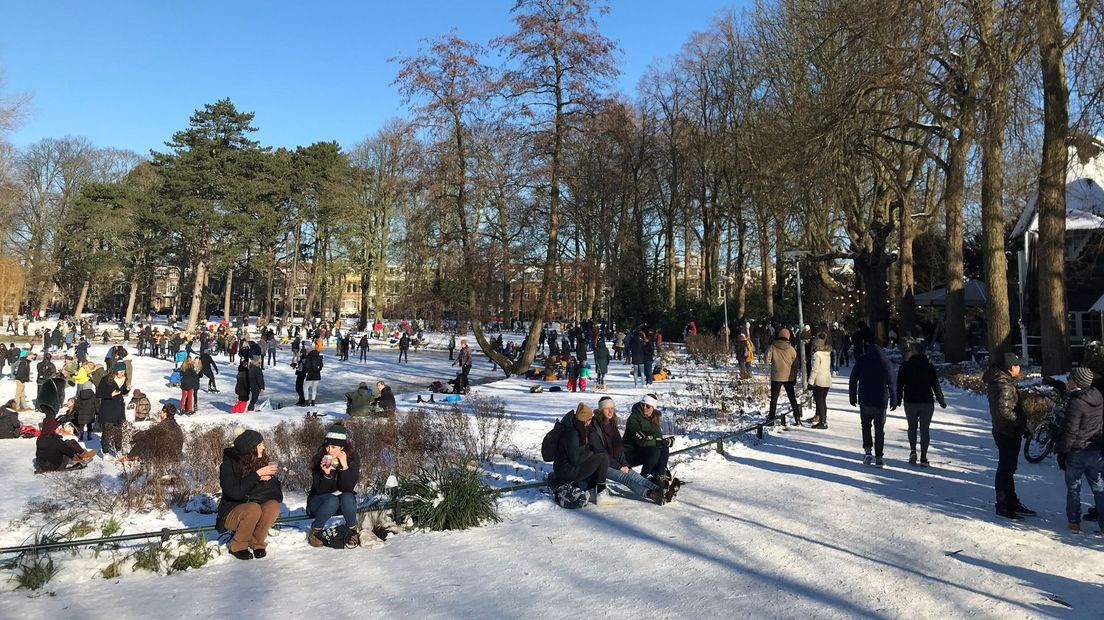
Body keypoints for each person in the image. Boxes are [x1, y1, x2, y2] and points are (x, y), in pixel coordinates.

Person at [216, 428, 283, 560]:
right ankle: (238, 546)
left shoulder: (261, 462)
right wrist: (257, 475)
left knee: (273, 506)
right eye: (259, 445)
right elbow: (235, 494)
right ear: (250, 449)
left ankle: (257, 542)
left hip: (256, 509)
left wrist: (266, 480)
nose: (263, 447)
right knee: (253, 508)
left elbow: (278, 496)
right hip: (231, 513)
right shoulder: (228, 466)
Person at [983, 352, 1034, 520]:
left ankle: (1011, 501)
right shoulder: (1003, 385)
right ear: (1010, 368)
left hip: (1007, 430)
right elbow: (1004, 412)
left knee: (1009, 468)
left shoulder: (1003, 380)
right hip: (1007, 431)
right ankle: (1003, 504)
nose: (1020, 368)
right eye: (1017, 365)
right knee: (1006, 469)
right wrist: (1020, 421)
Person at [589, 396, 665, 504]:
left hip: (614, 461)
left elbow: (619, 448)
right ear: (601, 410)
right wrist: (619, 467)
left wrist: (624, 464)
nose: (610, 411)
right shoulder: (594, 429)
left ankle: (659, 489)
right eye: (607, 408)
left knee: (634, 475)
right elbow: (601, 452)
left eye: (612, 408)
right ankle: (650, 494)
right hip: (600, 464)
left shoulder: (612, 424)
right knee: (625, 478)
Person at [1055, 367, 1103, 533]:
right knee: (1099, 487)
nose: (1068, 382)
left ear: (1078, 382)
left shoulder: (1076, 402)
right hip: (1095, 449)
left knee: (1074, 488)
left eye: (1070, 379)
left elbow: (1070, 431)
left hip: (1078, 451)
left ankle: (1074, 522)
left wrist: (1063, 453)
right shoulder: (1097, 395)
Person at [307, 423, 361, 547]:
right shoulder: (320, 458)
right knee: (332, 500)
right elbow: (320, 490)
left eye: (333, 447)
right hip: (319, 502)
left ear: (342, 448)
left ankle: (352, 530)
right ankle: (315, 530)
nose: (329, 450)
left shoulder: (352, 459)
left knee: (348, 497)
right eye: (327, 446)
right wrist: (327, 474)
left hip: (342, 502)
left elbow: (347, 488)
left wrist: (345, 467)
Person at [849, 337, 897, 467]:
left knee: (865, 426)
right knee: (879, 429)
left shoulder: (862, 360)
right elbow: (892, 382)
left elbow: (853, 379)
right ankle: (879, 457)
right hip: (880, 402)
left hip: (865, 400)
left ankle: (868, 450)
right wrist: (894, 399)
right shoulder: (885, 362)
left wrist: (852, 396)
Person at [896, 342, 946, 466]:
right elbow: (935, 385)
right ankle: (923, 456)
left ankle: (913, 450)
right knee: (925, 429)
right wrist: (941, 400)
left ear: (913, 352)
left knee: (912, 427)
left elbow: (899, 384)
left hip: (910, 401)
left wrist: (897, 399)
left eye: (910, 350)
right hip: (927, 402)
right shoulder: (929, 367)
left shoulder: (905, 366)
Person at [553, 403, 609, 505]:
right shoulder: (572, 433)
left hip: (564, 469)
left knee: (598, 458)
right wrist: (591, 451)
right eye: (589, 419)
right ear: (584, 420)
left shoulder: (576, 428)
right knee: (603, 458)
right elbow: (575, 460)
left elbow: (579, 452)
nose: (590, 422)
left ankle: (590, 490)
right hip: (566, 471)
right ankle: (601, 493)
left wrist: (589, 451)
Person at [622, 394, 672, 485]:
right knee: (655, 450)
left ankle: (660, 475)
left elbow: (658, 437)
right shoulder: (634, 418)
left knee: (664, 448)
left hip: (643, 451)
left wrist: (664, 442)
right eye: (642, 405)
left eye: (648, 406)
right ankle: (645, 476)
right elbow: (641, 441)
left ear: (653, 408)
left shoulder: (654, 418)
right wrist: (657, 441)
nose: (644, 408)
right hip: (629, 453)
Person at [766, 328, 800, 427]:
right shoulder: (791, 349)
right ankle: (797, 417)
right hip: (789, 376)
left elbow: (767, 359)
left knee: (774, 399)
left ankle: (771, 419)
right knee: (792, 398)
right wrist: (794, 374)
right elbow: (796, 363)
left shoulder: (773, 347)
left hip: (776, 376)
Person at [96, 362, 129, 456]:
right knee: (107, 432)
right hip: (108, 409)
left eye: (124, 371)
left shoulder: (123, 379)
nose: (122, 373)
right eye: (121, 371)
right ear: (115, 371)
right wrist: (110, 395)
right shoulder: (106, 379)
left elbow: (121, 391)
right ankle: (105, 452)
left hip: (118, 409)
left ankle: (118, 450)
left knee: (118, 432)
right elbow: (98, 394)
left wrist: (127, 389)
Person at [806, 333, 832, 430]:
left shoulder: (817, 354)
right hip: (827, 379)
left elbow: (815, 369)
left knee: (819, 401)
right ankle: (822, 419)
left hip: (819, 380)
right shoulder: (827, 353)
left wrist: (810, 382)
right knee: (823, 401)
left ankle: (823, 422)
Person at [302, 342, 323, 407]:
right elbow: (321, 365)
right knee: (314, 388)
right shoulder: (319, 356)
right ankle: (313, 401)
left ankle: (306, 401)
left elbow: (307, 366)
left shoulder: (309, 356)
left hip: (310, 374)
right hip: (317, 374)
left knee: (305, 387)